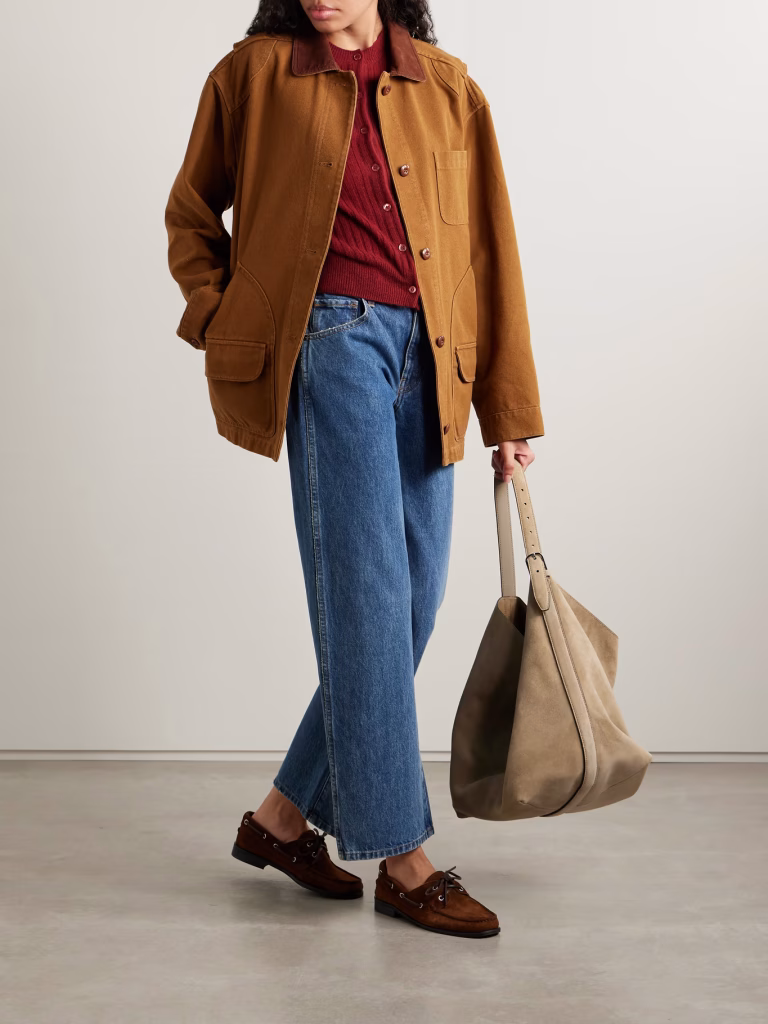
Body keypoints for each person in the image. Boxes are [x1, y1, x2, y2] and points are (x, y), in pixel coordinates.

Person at [165, 0, 544, 939]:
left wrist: (510, 410)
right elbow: (189, 211)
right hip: (329, 346)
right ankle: (403, 858)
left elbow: (492, 251)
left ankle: (284, 819)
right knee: (369, 594)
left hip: (438, 357)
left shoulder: (447, 86)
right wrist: (226, 315)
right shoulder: (255, 73)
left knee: (413, 594)